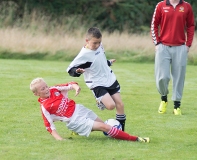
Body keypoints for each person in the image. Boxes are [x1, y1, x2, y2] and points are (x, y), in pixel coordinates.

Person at [29, 77, 150, 142]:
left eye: (45, 86)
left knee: (102, 124)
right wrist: (59, 139)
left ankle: (78, 131)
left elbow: (70, 84)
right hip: (74, 120)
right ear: (36, 94)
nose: (46, 89)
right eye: (42, 89)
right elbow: (49, 126)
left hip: (80, 109)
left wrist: (76, 88)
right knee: (105, 127)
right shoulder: (45, 107)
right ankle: (135, 139)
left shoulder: (54, 89)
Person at [66, 27, 126, 131]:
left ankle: (121, 132)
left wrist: (108, 63)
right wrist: (77, 71)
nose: (98, 45)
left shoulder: (99, 46)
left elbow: (99, 60)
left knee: (120, 104)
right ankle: (100, 102)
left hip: (109, 78)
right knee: (111, 106)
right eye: (95, 43)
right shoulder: (83, 55)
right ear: (87, 41)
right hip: (96, 83)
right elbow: (70, 69)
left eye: (99, 42)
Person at [151, 0, 195, 115]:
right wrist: (157, 44)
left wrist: (188, 45)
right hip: (163, 47)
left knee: (179, 77)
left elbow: (190, 26)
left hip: (180, 47)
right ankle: (164, 98)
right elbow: (154, 24)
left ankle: (177, 105)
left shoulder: (187, 7)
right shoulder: (161, 5)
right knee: (162, 77)